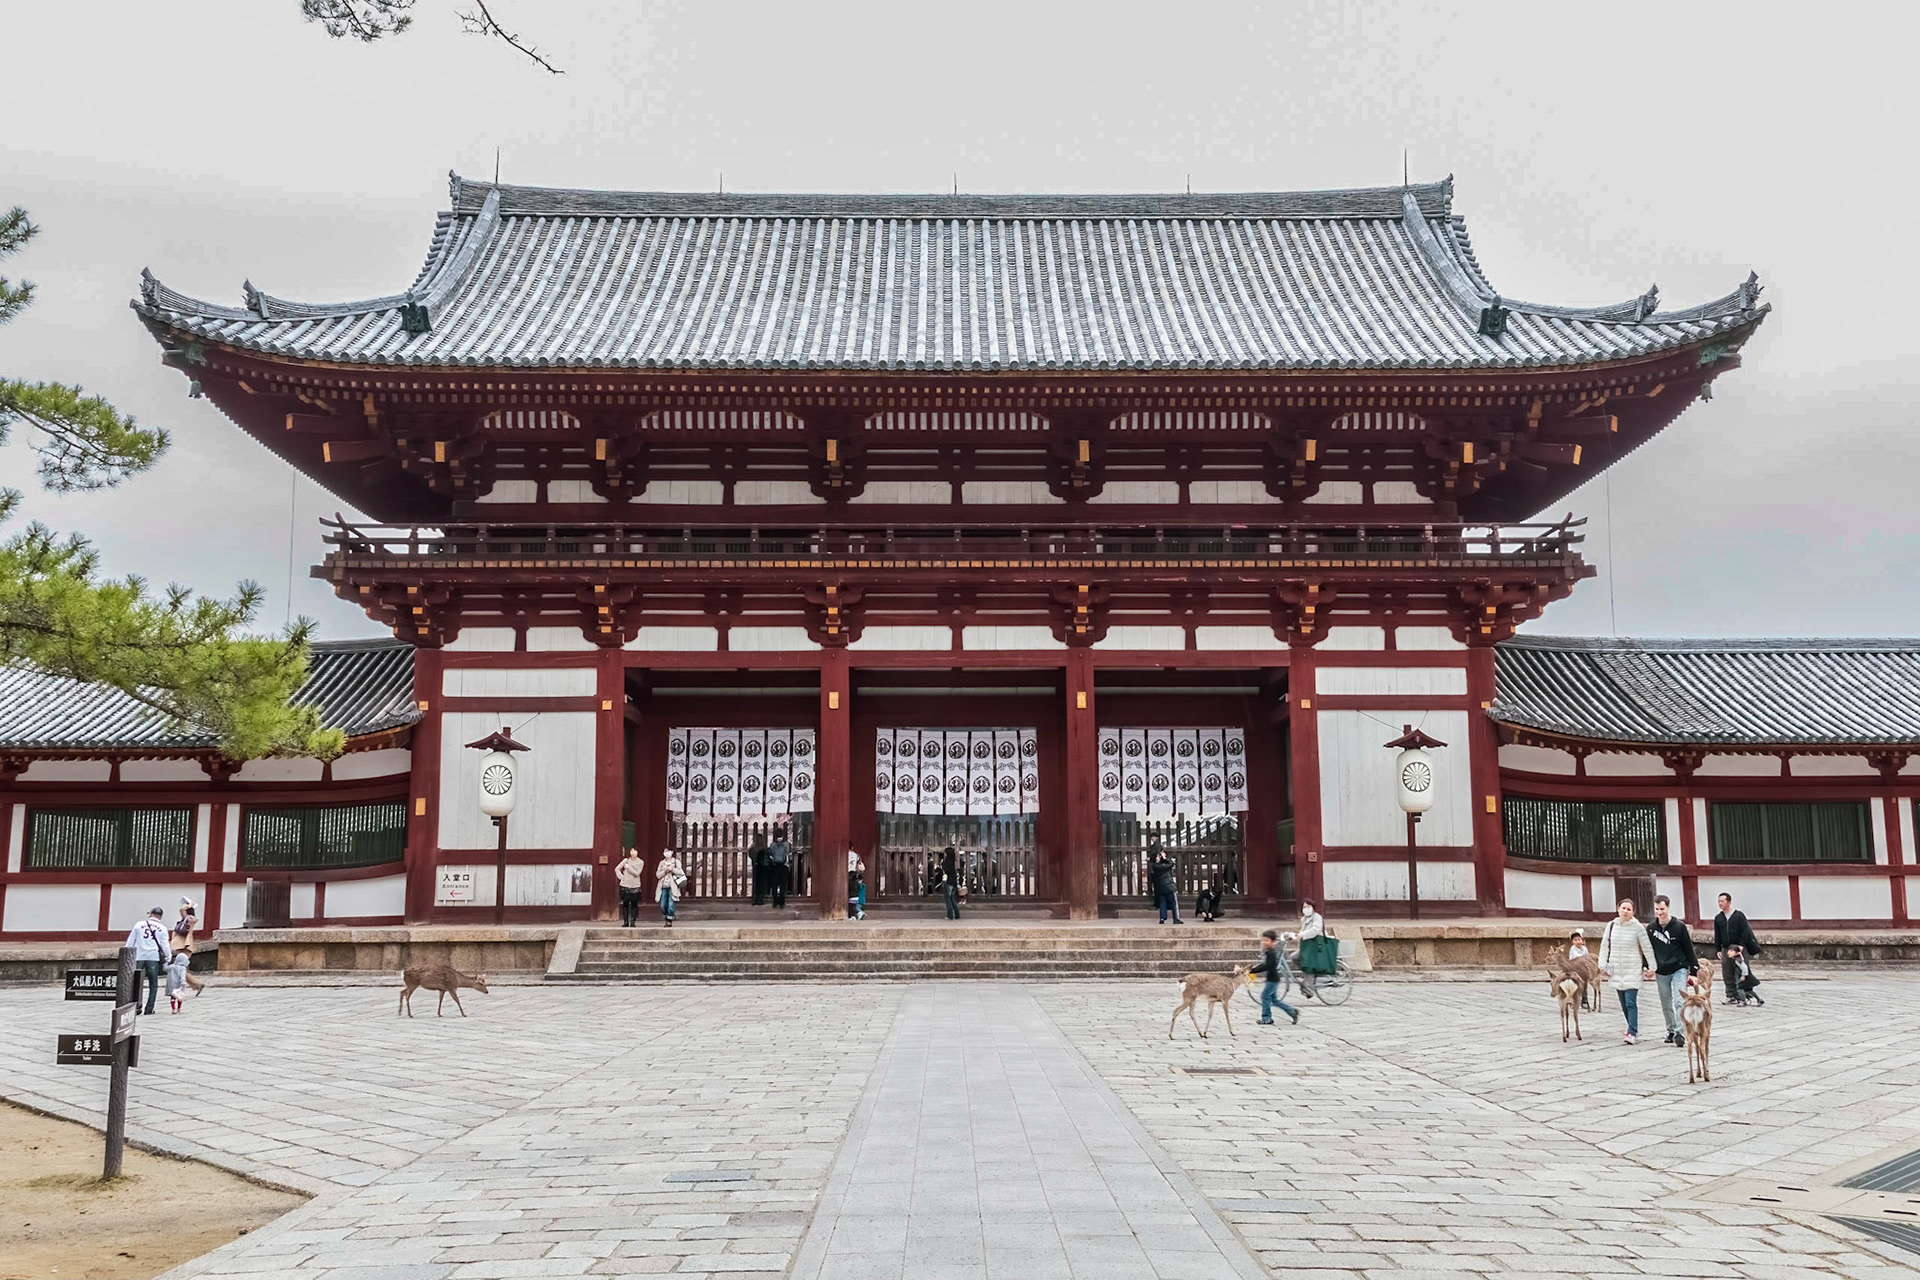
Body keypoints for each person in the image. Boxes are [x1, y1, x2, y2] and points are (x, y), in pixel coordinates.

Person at [1597, 898, 1656, 1045]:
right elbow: (1605, 946)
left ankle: (1632, 1031)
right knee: (1623, 1003)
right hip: (1616, 969)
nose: (1625, 911)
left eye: (1629, 909)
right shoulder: (1611, 926)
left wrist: (1652, 967)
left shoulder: (1637, 928)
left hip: (1632, 969)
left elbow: (1647, 948)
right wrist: (1602, 965)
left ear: (1633, 912)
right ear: (1618, 909)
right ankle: (1630, 1026)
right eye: (1623, 908)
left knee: (1630, 1002)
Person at [1646, 895, 1700, 1047]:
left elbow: (1688, 949)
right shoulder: (1651, 928)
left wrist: (1694, 970)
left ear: (1668, 907)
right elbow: (1648, 950)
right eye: (1657, 909)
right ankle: (1670, 1029)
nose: (1659, 912)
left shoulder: (1679, 926)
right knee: (1665, 1002)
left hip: (1679, 968)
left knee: (1679, 1000)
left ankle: (1679, 1032)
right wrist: (1647, 966)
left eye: (1662, 909)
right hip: (1661, 970)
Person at [1713, 892, 1764, 1007]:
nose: (1720, 903)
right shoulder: (1718, 918)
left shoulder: (1739, 915)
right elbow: (1717, 935)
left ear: (1729, 902)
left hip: (1738, 948)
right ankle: (1731, 995)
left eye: (1722, 901)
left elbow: (1745, 931)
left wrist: (1741, 945)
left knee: (1741, 971)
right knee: (1727, 972)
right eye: (1719, 901)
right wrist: (1718, 949)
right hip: (1726, 949)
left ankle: (1745, 995)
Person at [126, 907, 171, 1015]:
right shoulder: (162, 928)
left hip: (139, 956)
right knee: (153, 984)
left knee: (135, 983)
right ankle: (149, 1009)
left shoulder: (138, 925)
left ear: (151, 914)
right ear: (160, 916)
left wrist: (126, 954)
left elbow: (131, 940)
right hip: (153, 957)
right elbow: (164, 944)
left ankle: (136, 1007)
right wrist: (168, 957)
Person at [1249, 929, 1300, 1027]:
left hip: (1272, 980)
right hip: (1272, 979)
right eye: (1263, 940)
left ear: (1272, 941)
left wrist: (1253, 970)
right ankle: (1292, 1011)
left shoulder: (1271, 953)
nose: (1264, 942)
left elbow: (1266, 966)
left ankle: (1267, 1018)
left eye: (1267, 940)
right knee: (1274, 1000)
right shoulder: (1269, 952)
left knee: (1264, 996)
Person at [1285, 901, 1326, 999]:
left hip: (1316, 946)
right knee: (1294, 957)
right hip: (1308, 947)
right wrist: (1293, 936)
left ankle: (1309, 989)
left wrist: (1302, 935)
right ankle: (1309, 976)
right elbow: (1302, 932)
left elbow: (1315, 930)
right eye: (1304, 907)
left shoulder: (1317, 917)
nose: (1306, 908)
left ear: (1313, 907)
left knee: (1307, 964)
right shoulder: (1304, 919)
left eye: (1308, 906)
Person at [1148, 840, 1181, 924]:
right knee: (1174, 902)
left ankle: (1162, 918)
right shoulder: (1162, 866)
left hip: (1160, 888)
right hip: (1169, 887)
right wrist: (1165, 858)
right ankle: (1175, 918)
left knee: (1163, 903)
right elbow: (1171, 864)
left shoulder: (1155, 867)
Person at [614, 848, 646, 927]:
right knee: (625, 904)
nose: (633, 853)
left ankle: (632, 921)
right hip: (625, 885)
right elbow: (617, 869)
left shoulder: (640, 862)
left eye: (635, 851)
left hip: (635, 885)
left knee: (634, 904)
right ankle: (625, 922)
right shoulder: (626, 860)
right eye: (632, 851)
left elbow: (637, 873)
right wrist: (622, 877)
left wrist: (628, 868)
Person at [654, 848, 686, 927]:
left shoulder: (676, 862)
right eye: (665, 851)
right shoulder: (661, 863)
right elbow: (658, 875)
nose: (666, 853)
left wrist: (672, 869)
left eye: (668, 851)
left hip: (672, 886)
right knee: (663, 905)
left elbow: (680, 872)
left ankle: (669, 920)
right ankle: (667, 916)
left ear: (671, 852)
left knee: (671, 904)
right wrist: (665, 871)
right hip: (663, 886)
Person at [766, 827, 791, 908]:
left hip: (775, 866)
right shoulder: (787, 844)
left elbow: (770, 855)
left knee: (774, 884)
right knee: (783, 885)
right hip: (784, 866)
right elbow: (788, 854)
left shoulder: (772, 845)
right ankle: (782, 902)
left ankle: (775, 901)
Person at [165, 944, 192, 1013]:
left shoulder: (172, 966)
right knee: (179, 997)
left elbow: (165, 968)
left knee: (173, 997)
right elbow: (182, 976)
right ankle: (179, 1008)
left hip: (171, 984)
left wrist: (165, 962)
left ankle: (173, 1009)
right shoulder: (182, 968)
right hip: (179, 985)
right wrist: (183, 982)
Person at [936, 845, 960, 920]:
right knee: (952, 898)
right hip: (953, 882)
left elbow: (945, 871)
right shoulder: (953, 860)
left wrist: (938, 868)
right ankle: (957, 914)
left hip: (948, 881)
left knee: (948, 899)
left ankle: (950, 915)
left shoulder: (947, 861)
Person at [847, 849, 867, 921]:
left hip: (851, 896)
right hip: (858, 898)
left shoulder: (844, 854)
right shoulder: (856, 855)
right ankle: (857, 914)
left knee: (852, 907)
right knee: (855, 907)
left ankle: (853, 915)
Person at [748, 839, 770, 905]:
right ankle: (760, 899)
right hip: (763, 867)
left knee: (755, 884)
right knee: (762, 884)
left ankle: (754, 899)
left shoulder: (753, 848)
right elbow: (769, 855)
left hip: (755, 867)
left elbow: (750, 855)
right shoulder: (765, 848)